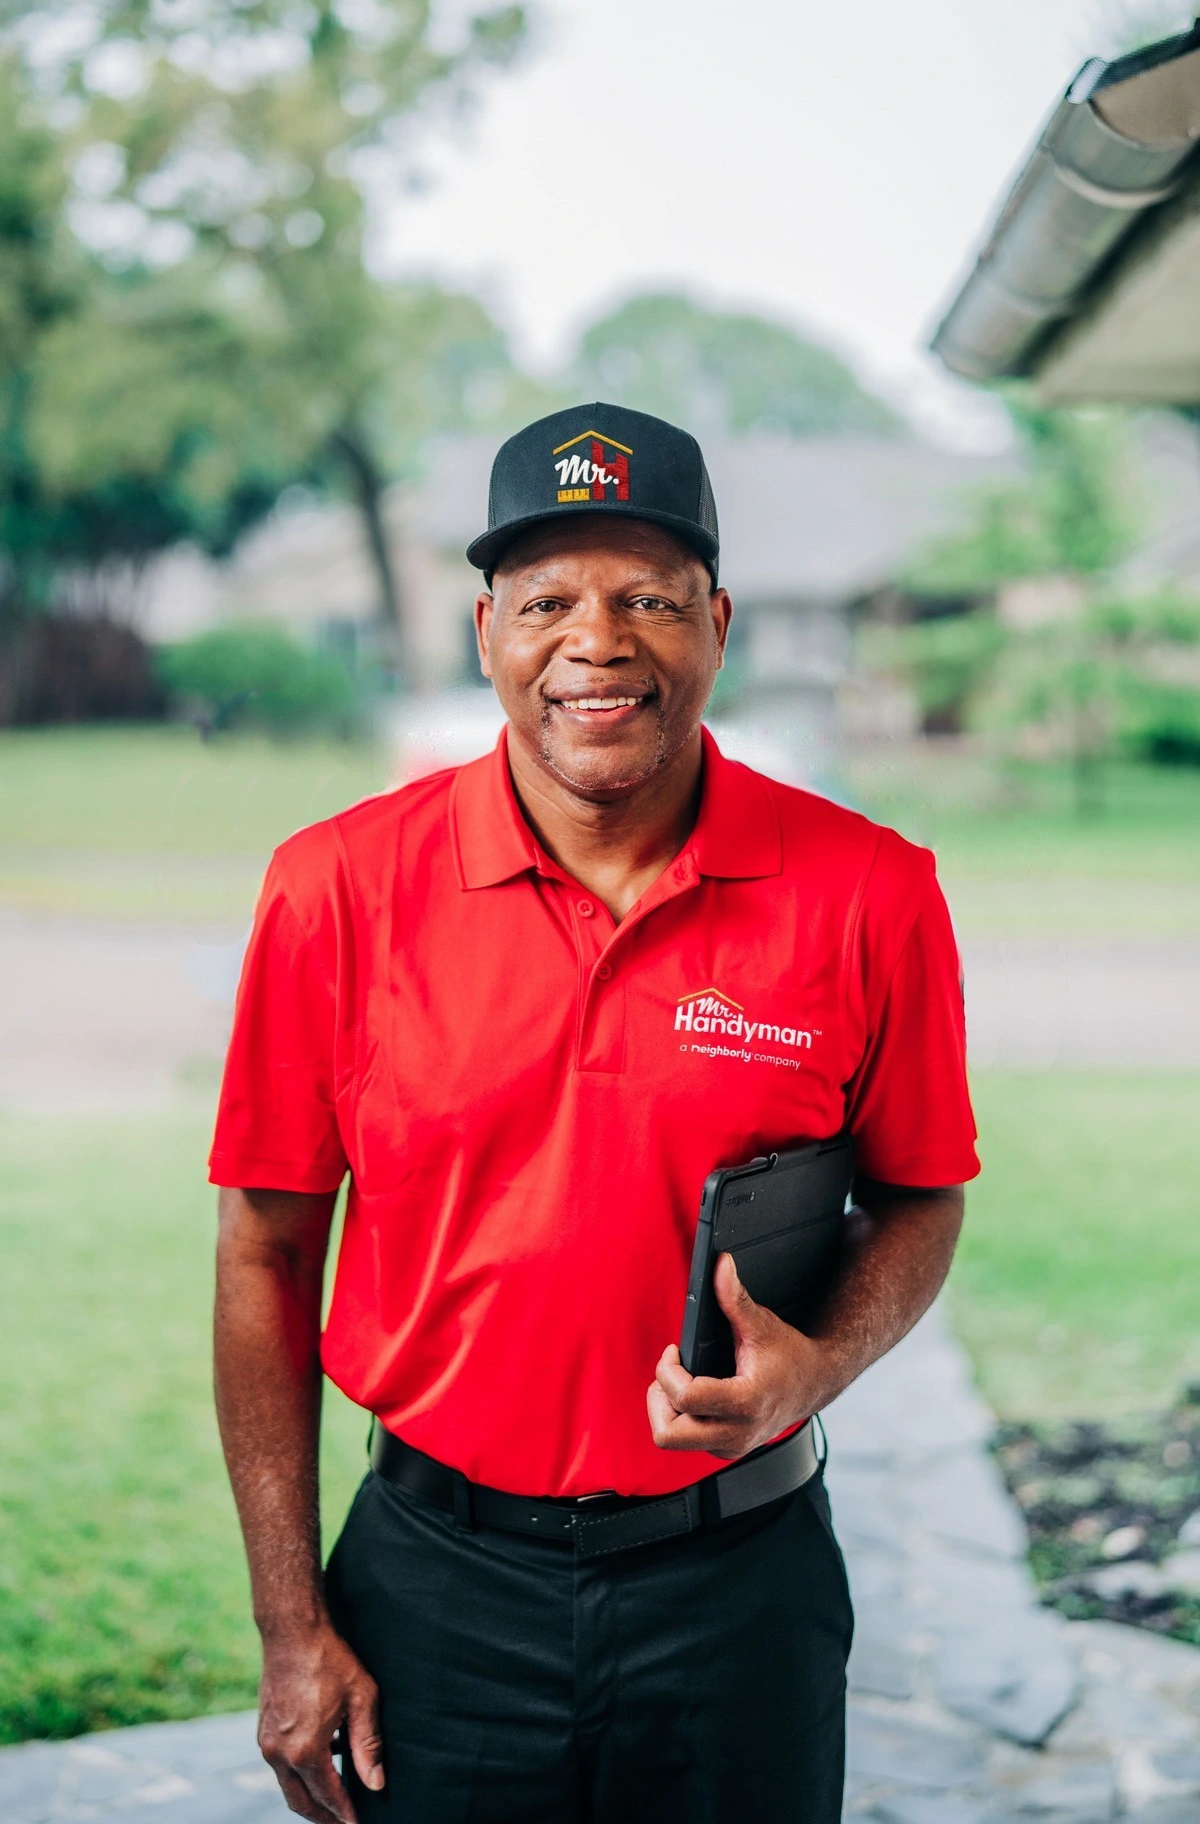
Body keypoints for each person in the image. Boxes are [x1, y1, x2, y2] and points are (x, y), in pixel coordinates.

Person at [211, 402, 979, 1824]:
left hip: (740, 1592)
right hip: (432, 1594)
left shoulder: (871, 890)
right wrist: (286, 1620)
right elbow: (264, 1247)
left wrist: (818, 1367)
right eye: (550, 600)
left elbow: (923, 1193)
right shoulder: (333, 888)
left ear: (719, 622)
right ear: (488, 628)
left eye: (649, 600)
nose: (599, 642)